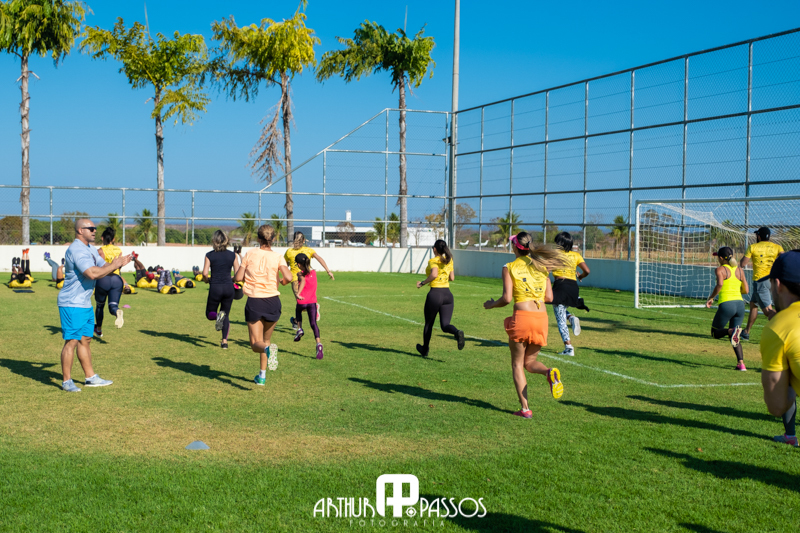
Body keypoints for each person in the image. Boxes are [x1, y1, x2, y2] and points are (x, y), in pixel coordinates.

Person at [483, 232, 568, 418]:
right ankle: (548, 372)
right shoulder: (542, 266)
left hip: (523, 317)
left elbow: (507, 298)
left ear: (515, 247)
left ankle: (525, 409)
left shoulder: (509, 267)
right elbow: (549, 297)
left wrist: (491, 304)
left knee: (517, 364)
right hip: (541, 318)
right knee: (529, 363)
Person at [58, 218, 131, 392]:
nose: (95, 231)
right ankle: (67, 381)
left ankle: (90, 377)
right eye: (90, 228)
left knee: (85, 340)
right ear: (80, 231)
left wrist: (118, 264)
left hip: (84, 303)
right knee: (72, 341)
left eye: (95, 228)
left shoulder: (90, 249)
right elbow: (91, 273)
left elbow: (104, 266)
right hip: (72, 303)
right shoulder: (76, 250)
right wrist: (113, 266)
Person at [235, 225, 292, 385]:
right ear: (273, 239)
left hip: (255, 302)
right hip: (273, 302)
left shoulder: (250, 254)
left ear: (258, 238)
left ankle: (267, 351)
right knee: (266, 341)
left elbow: (238, 277)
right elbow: (288, 276)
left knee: (256, 345)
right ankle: (262, 376)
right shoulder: (278, 257)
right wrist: (283, 281)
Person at [760, 250, 800, 447]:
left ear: (777, 284)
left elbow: (776, 406)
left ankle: (790, 435)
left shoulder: (778, 327)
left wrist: (789, 382)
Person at [415, 239, 465, 357]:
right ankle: (457, 332)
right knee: (445, 325)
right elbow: (452, 278)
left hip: (435, 294)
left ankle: (425, 349)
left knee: (429, 324)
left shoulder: (433, 261)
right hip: (448, 295)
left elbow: (434, 274)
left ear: (435, 249)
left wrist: (422, 283)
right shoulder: (449, 260)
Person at [705, 246, 750, 371]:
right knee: (735, 336)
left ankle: (730, 331)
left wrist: (711, 298)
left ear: (721, 258)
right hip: (740, 305)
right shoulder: (740, 270)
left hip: (727, 305)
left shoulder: (720, 269)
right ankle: (741, 363)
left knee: (715, 333)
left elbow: (720, 284)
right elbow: (746, 290)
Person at [741, 227, 784, 340]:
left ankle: (785, 331)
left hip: (760, 281)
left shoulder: (753, 247)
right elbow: (785, 259)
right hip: (772, 281)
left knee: (768, 311)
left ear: (759, 236)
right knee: (753, 304)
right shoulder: (777, 247)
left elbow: (743, 264)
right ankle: (746, 332)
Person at [550, 232, 590, 356]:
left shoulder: (554, 255)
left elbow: (545, 270)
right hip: (573, 287)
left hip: (560, 285)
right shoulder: (576, 255)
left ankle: (568, 347)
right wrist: (580, 276)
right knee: (560, 308)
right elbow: (587, 271)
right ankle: (571, 318)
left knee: (560, 318)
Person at [284, 231, 334, 328]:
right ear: (303, 240)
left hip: (296, 280)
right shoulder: (309, 250)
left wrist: (283, 276)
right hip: (309, 279)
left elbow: (284, 265)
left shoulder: (289, 251)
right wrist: (328, 271)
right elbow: (319, 258)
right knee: (302, 303)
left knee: (301, 302)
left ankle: (314, 307)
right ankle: (295, 321)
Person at [202, 230, 240, 349]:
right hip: (229, 288)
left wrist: (206, 280)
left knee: (209, 314)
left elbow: (204, 273)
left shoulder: (209, 255)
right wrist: (233, 279)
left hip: (215, 287)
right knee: (226, 315)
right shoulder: (233, 255)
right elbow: (238, 274)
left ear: (214, 241)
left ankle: (218, 316)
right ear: (226, 240)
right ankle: (224, 342)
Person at [94, 227, 126, 337]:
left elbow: (100, 266)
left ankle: (98, 329)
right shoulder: (119, 250)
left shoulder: (100, 251)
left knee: (100, 306)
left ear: (102, 238)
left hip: (104, 279)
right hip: (117, 280)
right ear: (113, 239)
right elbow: (119, 267)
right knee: (113, 306)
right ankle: (117, 312)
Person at [292, 253, 325, 359]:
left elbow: (303, 281)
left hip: (302, 302)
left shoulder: (299, 274)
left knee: (298, 311)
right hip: (312, 302)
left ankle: (300, 328)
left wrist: (298, 293)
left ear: (298, 264)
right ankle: (318, 344)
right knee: (313, 324)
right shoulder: (314, 273)